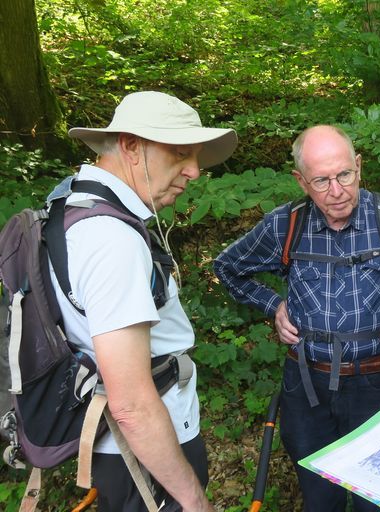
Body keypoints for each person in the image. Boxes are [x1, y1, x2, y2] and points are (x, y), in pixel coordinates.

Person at [214, 125, 380, 512]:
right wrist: (273, 305)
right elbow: (228, 267)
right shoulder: (285, 225)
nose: (336, 191)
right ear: (301, 181)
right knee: (320, 498)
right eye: (321, 181)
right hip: (307, 386)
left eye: (345, 175)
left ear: (359, 167)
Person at [52, 91, 237, 511]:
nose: (194, 171)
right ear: (132, 146)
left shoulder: (71, 207)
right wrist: (193, 501)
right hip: (143, 456)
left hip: (126, 450)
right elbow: (132, 404)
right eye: (179, 153)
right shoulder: (111, 239)